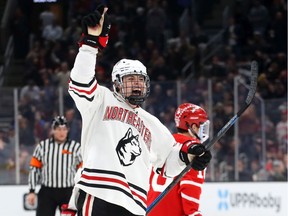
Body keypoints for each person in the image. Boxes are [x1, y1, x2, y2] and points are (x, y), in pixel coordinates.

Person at [63, 5, 212, 216]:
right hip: (99, 191)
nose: (136, 85)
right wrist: (89, 45)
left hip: (135, 204)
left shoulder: (151, 122)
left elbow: (168, 160)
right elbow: (80, 82)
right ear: (116, 83)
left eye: (140, 80)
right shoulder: (100, 99)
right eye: (130, 79)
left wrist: (190, 155)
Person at [147, 103, 211, 216]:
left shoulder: (165, 143)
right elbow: (190, 203)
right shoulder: (196, 151)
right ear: (193, 126)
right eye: (202, 125)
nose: (204, 130)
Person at [27, 116, 82, 216]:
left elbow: (82, 170)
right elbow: (34, 169)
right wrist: (31, 190)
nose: (62, 132)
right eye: (59, 129)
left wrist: (82, 190)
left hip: (68, 192)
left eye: (64, 129)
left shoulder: (76, 147)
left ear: (68, 130)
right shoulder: (43, 146)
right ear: (53, 130)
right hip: (47, 192)